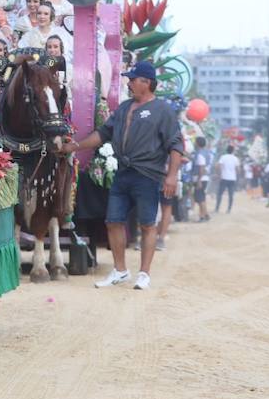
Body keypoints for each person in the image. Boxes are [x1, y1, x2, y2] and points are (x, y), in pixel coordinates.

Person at [60, 61, 184, 291]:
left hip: (147, 175)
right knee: (113, 220)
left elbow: (176, 144)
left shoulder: (163, 110)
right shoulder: (125, 108)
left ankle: (144, 274)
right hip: (123, 172)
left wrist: (172, 176)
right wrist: (74, 146)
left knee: (147, 224)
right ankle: (120, 270)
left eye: (133, 79)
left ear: (146, 83)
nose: (129, 83)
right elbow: (102, 134)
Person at [191, 137, 212, 221]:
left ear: (198, 143)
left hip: (200, 178)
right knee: (202, 197)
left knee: (199, 198)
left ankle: (202, 216)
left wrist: (199, 180)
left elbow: (201, 168)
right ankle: (206, 214)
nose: (194, 143)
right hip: (205, 178)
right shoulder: (206, 152)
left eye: (195, 142)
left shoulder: (200, 154)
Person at [215, 145, 239, 213]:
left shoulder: (223, 157)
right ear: (233, 151)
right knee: (231, 195)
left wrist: (219, 174)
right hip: (232, 178)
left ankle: (217, 208)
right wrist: (235, 174)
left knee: (219, 194)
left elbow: (218, 165)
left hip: (224, 177)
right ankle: (229, 209)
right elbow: (237, 169)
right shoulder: (235, 158)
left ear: (226, 150)